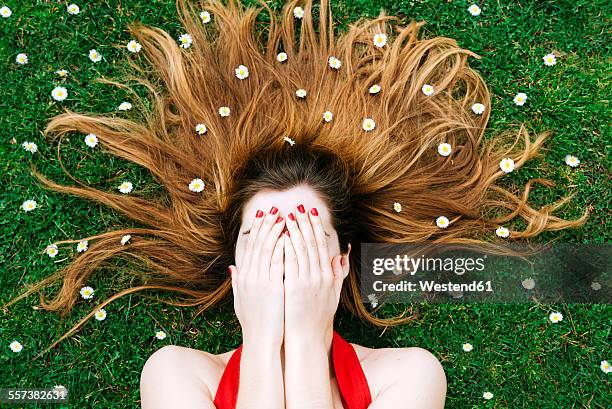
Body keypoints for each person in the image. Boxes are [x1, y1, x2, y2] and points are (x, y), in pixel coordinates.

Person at [5, 0, 586, 407]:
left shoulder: (411, 375)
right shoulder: (175, 374)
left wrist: (306, 342)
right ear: (236, 272)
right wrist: (262, 344)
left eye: (307, 244)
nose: (284, 263)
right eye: (263, 245)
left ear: (340, 268)